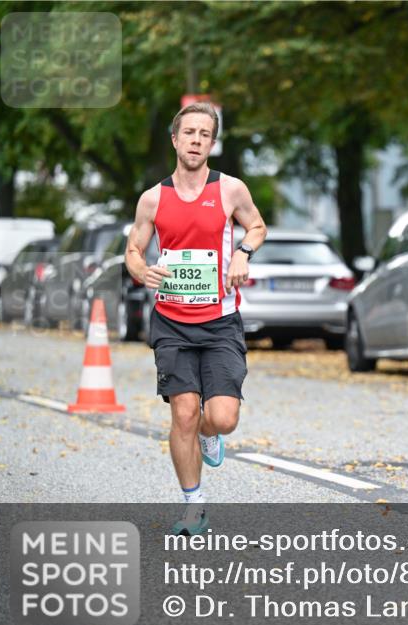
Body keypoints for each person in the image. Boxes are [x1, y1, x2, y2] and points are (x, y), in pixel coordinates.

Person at [125, 102, 266, 535]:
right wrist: (141, 270)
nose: (196, 140)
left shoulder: (230, 190)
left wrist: (243, 253)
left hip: (221, 320)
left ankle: (210, 432)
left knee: (222, 417)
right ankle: (194, 504)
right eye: (189, 132)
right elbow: (133, 249)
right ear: (175, 139)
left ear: (212, 142)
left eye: (205, 134)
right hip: (171, 321)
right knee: (182, 413)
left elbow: (256, 226)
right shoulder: (153, 198)